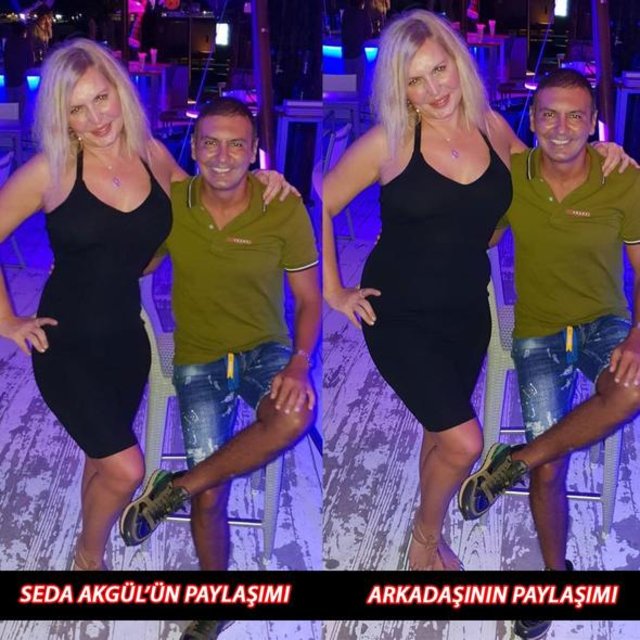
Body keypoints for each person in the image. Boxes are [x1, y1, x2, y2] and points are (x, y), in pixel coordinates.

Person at [323, 10, 628, 573]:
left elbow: (542, 165)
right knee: (464, 442)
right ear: (401, 89)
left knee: (440, 432)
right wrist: (333, 290)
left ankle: (429, 523)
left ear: (458, 63)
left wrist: (603, 151)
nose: (434, 89)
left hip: (466, 313)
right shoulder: (391, 139)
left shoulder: (489, 124)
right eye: (415, 80)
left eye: (439, 70)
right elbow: (319, 200)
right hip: (399, 313)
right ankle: (423, 542)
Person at [0, 39, 289, 573]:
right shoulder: (52, 169)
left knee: (102, 458)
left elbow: (205, 200)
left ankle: (88, 540)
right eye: (77, 110)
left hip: (127, 341)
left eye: (101, 98)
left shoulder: (151, 154)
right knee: (127, 469)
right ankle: (88, 559)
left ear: (120, 90)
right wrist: (7, 319)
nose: (95, 119)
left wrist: (257, 179)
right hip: (65, 342)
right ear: (62, 118)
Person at [119, 98, 320, 638]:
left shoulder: (283, 206)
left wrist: (299, 364)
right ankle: (217, 598)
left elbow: (308, 300)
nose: (223, 157)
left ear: (254, 152)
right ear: (194, 147)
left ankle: (175, 487)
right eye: (210, 143)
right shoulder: (174, 204)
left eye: (236, 145)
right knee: (210, 494)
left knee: (294, 414)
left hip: (265, 349)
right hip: (200, 357)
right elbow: (133, 262)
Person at [457, 68, 640, 638]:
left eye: (575, 116)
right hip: (538, 332)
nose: (562, 128)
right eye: (549, 116)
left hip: (605, 324)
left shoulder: (623, 179)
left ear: (594, 123)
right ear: (532, 121)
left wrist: (636, 337)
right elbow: (476, 235)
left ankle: (515, 459)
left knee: (632, 387)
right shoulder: (513, 178)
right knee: (551, 465)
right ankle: (556, 579)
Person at [341, 0, 372, 108]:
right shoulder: (362, 14)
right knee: (360, 83)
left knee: (350, 84)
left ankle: (351, 108)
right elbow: (368, 34)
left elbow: (344, 34)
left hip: (347, 53)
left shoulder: (346, 13)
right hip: (358, 52)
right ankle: (360, 107)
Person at [3, 21, 34, 130]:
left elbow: (6, 60)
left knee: (11, 111)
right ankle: (20, 133)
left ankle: (11, 134)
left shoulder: (8, 42)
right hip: (20, 80)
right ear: (23, 31)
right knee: (21, 111)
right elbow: (30, 62)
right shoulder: (24, 43)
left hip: (9, 81)